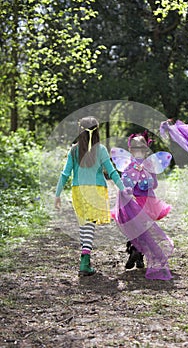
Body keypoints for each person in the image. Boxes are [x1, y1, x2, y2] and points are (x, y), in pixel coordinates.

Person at [55, 116, 125, 276]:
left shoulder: (74, 150)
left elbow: (65, 174)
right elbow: (112, 172)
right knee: (89, 226)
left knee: (84, 225)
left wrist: (57, 194)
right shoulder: (100, 150)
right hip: (96, 191)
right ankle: (85, 261)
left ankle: (85, 260)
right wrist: (123, 189)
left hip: (78, 191)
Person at [119, 131, 171, 270]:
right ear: (146, 149)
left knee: (133, 228)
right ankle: (140, 257)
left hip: (133, 201)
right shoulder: (150, 165)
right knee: (143, 229)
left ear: (130, 149)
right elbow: (154, 184)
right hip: (148, 202)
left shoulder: (128, 165)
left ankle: (134, 250)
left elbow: (124, 183)